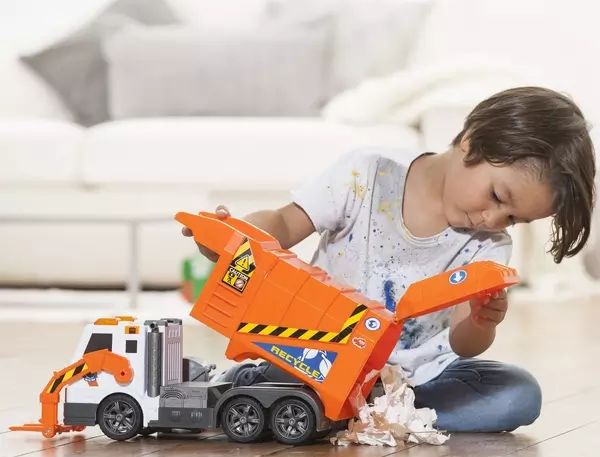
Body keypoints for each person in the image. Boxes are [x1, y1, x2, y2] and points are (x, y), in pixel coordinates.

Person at [183, 86, 596, 432]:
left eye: (513, 219)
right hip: (322, 359)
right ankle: (315, 402)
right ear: (472, 142)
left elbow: (462, 343)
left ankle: (378, 414)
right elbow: (284, 224)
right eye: (497, 196)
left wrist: (481, 322)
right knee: (291, 368)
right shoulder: (365, 174)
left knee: (519, 395)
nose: (493, 220)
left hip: (414, 381)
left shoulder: (489, 245)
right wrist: (234, 238)